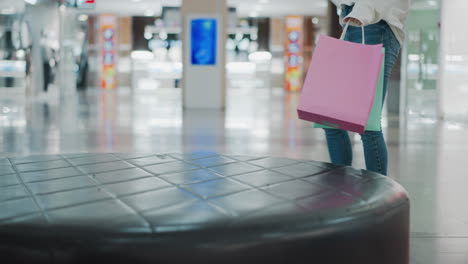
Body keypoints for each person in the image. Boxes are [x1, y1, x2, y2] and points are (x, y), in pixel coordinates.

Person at [325, 0, 410, 176]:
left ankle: (378, 191)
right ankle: (340, 186)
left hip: (375, 22)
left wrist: (364, 10)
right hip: (349, 21)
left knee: (366, 123)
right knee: (329, 119)